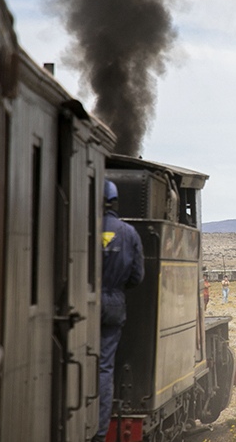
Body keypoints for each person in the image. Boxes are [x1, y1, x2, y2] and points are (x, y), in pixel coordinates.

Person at [95, 180, 144, 442]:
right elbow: (137, 277)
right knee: (104, 368)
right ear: (114, 202)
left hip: (80, 302)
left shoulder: (79, 227)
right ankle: (99, 433)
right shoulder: (128, 233)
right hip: (113, 303)